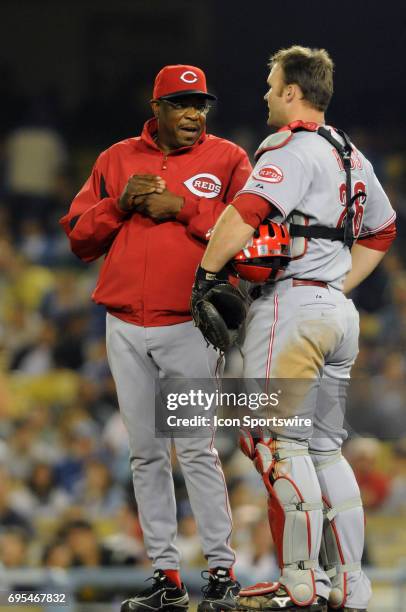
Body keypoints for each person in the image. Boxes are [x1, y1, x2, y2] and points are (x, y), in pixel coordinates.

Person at [192, 46, 396, 612]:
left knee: (277, 443)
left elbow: (244, 212)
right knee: (327, 449)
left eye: (270, 85)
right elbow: (381, 231)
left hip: (292, 311)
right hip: (335, 313)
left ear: (291, 92)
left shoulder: (290, 147)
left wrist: (206, 275)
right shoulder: (353, 155)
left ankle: (301, 582)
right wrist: (335, 284)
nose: (264, 95)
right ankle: (352, 586)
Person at [60, 64, 252, 612]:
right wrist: (118, 204)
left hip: (189, 325)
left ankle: (220, 572)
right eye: (182, 104)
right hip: (123, 324)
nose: (194, 114)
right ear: (158, 109)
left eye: (201, 105)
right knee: (145, 455)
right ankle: (166, 575)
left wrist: (186, 209)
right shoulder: (116, 159)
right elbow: (79, 237)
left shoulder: (228, 159)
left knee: (196, 452)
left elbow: (252, 230)